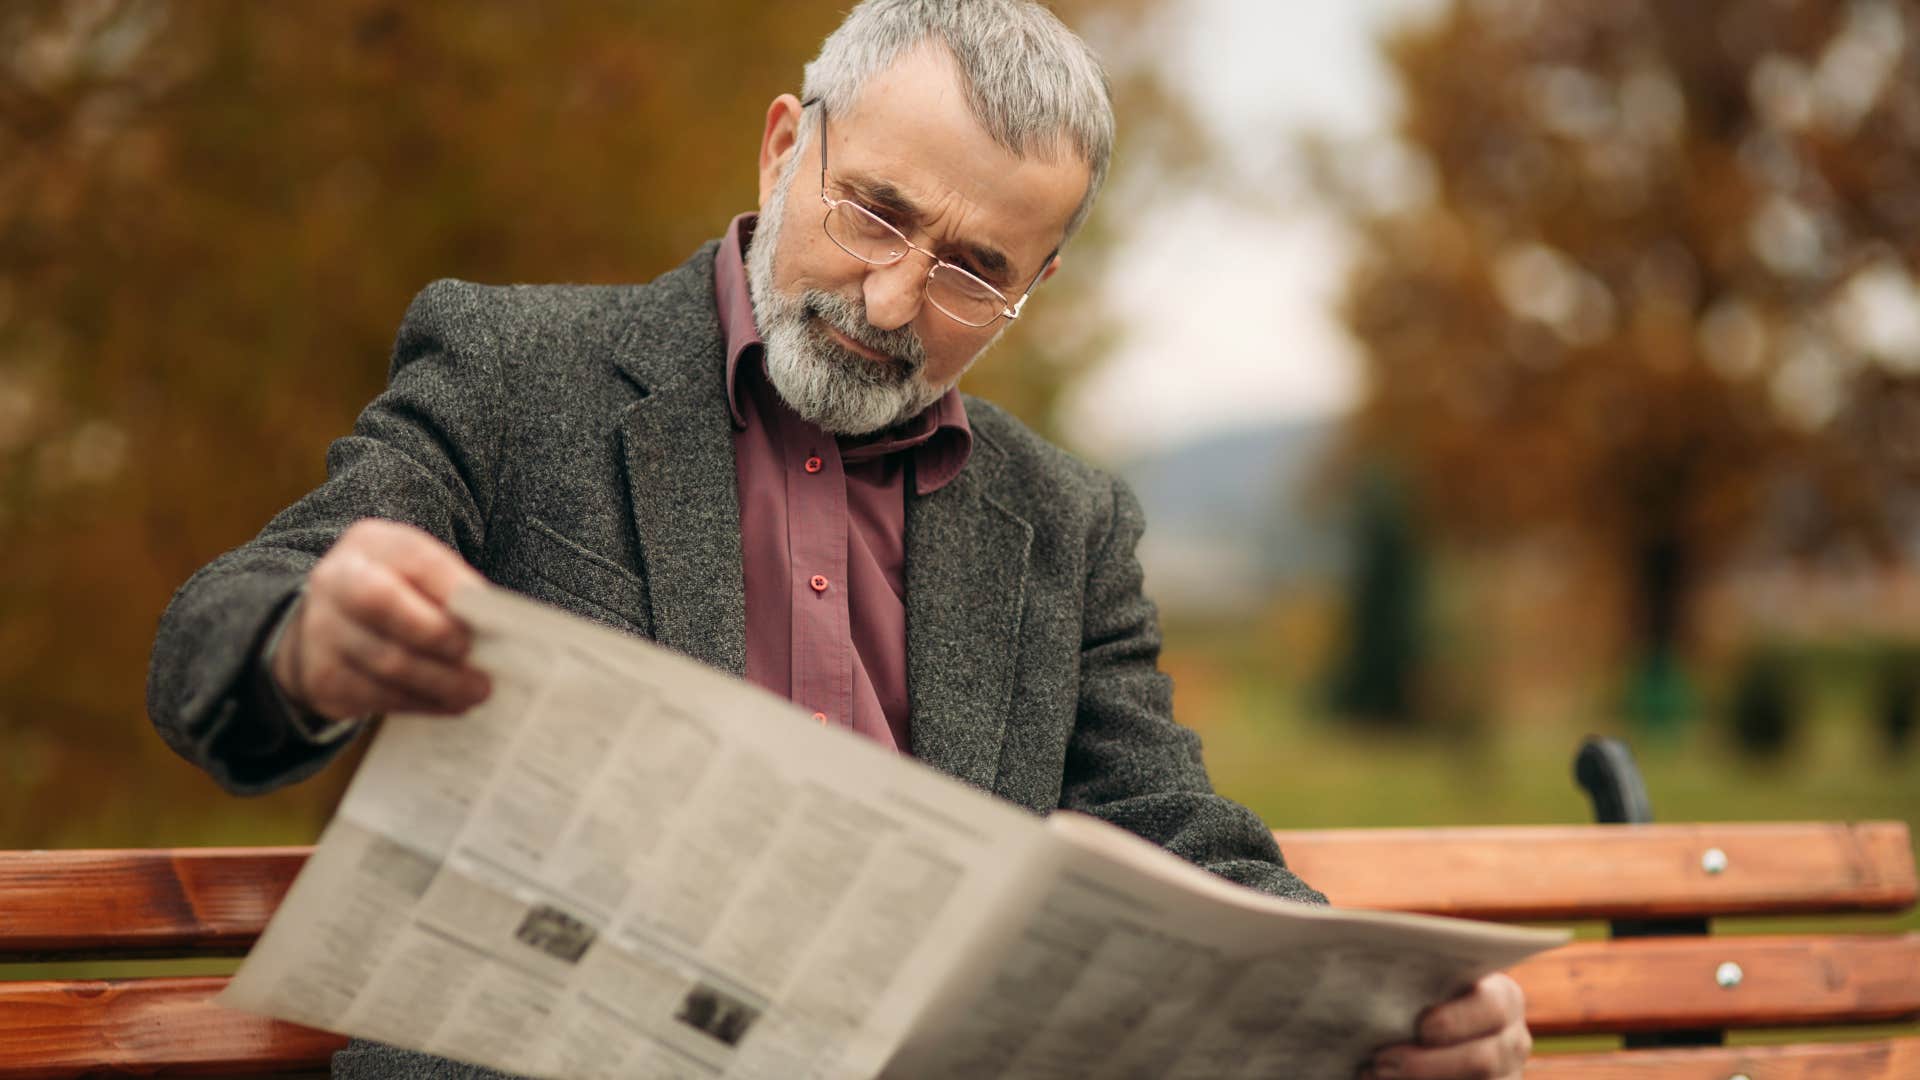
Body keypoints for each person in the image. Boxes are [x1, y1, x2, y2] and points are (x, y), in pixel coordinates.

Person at [147, 1, 1529, 1076]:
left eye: (975, 269)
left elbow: (1168, 825)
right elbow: (226, 630)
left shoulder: (1067, 521)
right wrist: (314, 641)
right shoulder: (519, 372)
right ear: (782, 144)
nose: (889, 297)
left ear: (1036, 283)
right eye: (874, 208)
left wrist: (1383, 1007)